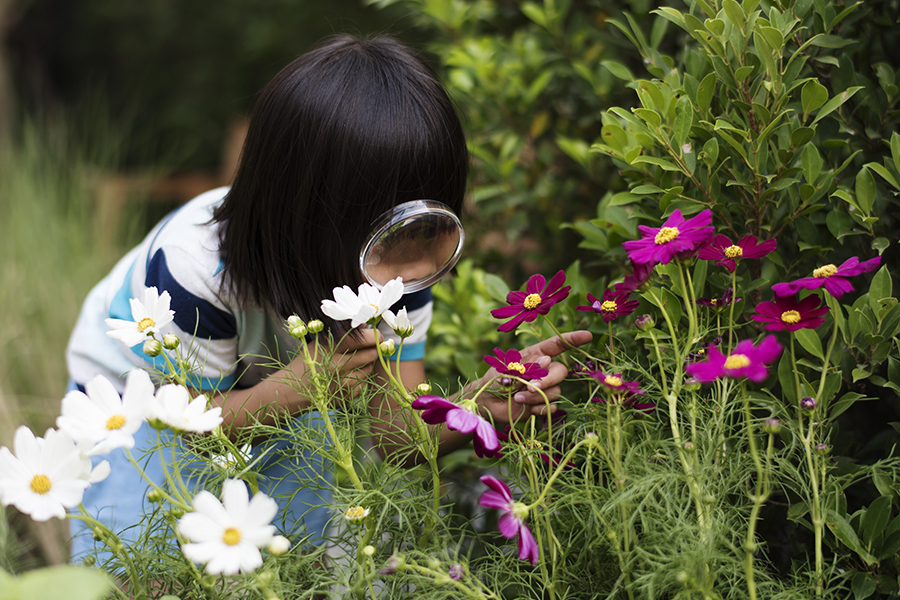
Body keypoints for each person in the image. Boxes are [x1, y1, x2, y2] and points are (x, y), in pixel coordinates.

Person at [65, 34, 591, 560]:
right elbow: (194, 428)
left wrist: (479, 406)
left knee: (299, 547)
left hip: (294, 384)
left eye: (432, 233)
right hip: (141, 400)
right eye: (394, 237)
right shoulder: (191, 270)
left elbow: (395, 436)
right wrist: (300, 388)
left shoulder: (404, 276)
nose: (413, 272)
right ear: (304, 218)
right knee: (141, 550)